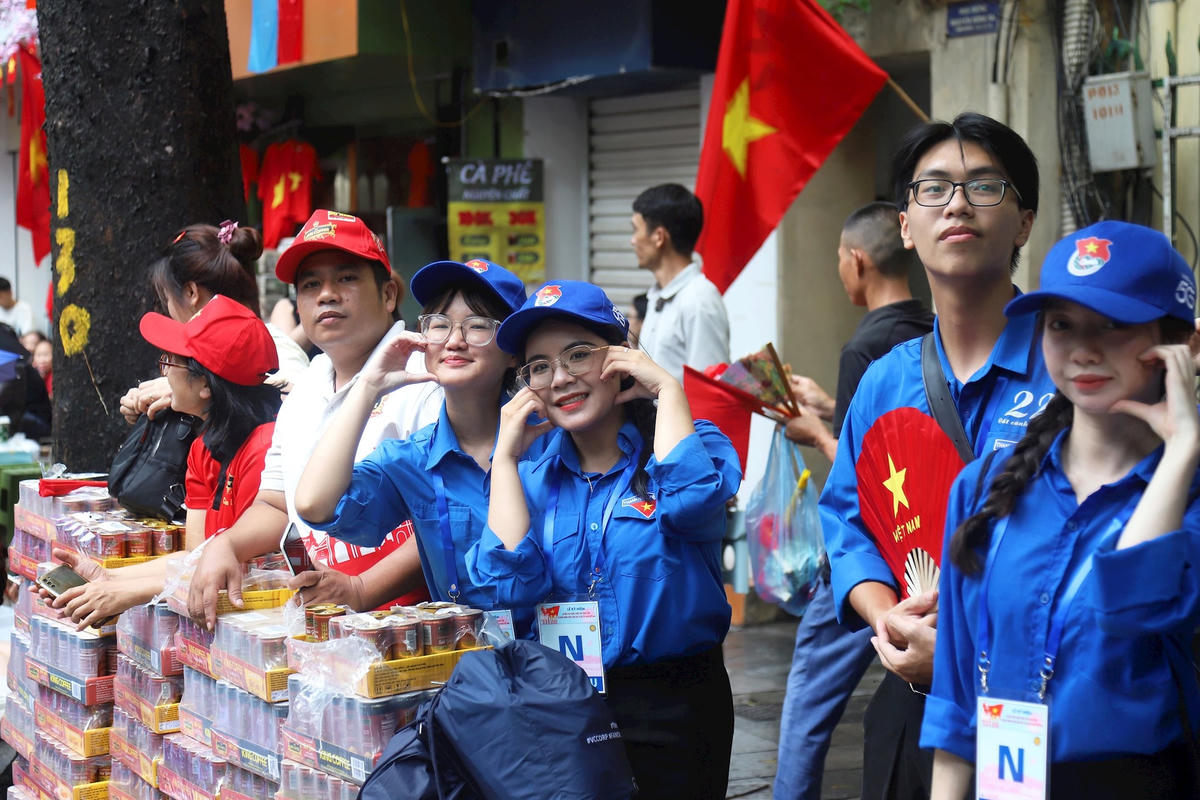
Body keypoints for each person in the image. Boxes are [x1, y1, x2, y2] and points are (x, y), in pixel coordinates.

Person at [820, 112, 1055, 799]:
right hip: (913, 706)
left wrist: (967, 651)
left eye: (984, 186)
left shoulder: (1073, 369)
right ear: (905, 225)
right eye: (934, 189)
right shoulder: (884, 382)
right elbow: (846, 523)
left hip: (1046, 699)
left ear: (1024, 222)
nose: (956, 204)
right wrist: (885, 617)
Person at [926, 221, 1200, 799]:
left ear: (1183, 347)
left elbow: (1134, 612)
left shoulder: (1188, 493)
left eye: (1114, 324)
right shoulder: (985, 486)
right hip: (1004, 782)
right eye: (1061, 325)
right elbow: (955, 693)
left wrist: (1181, 452)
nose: (1083, 350)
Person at [467, 280, 741, 799]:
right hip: (564, 703)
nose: (560, 378)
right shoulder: (528, 478)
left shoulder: (694, 442)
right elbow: (505, 590)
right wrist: (504, 458)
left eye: (578, 355)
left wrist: (669, 391)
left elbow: (692, 506)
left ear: (620, 357)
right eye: (540, 366)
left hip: (675, 705)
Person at [186, 210, 442, 630]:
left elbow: (447, 517)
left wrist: (362, 588)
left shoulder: (425, 379)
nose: (326, 295)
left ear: (388, 295)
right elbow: (275, 503)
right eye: (310, 285)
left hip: (418, 628)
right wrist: (226, 544)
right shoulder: (307, 387)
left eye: (346, 278)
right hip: (334, 623)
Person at [775, 202, 933, 800]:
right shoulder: (929, 332)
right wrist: (826, 403)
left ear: (858, 261)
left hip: (872, 559)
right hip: (923, 555)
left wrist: (816, 433)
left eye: (840, 258)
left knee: (807, 703)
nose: (840, 269)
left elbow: (862, 469)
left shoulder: (864, 347)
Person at [292, 257, 534, 631]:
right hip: (468, 659)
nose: (455, 340)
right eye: (439, 325)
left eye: (477, 326)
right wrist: (369, 386)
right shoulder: (414, 457)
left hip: (559, 660)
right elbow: (315, 505)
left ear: (512, 350)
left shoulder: (550, 442)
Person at [46, 295, 280, 628]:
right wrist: (109, 578)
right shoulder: (203, 447)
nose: (164, 370)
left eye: (171, 360)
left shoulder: (265, 450)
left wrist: (125, 593)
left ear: (205, 384)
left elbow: (248, 572)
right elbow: (195, 558)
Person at [118, 221, 308, 424]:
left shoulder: (276, 352)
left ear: (191, 293)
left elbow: (302, 408)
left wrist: (180, 391)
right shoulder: (208, 357)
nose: (168, 310)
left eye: (166, 299)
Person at [631, 183, 730, 381]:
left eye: (635, 230)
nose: (632, 240)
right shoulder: (658, 295)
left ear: (659, 237)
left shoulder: (699, 299)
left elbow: (708, 388)